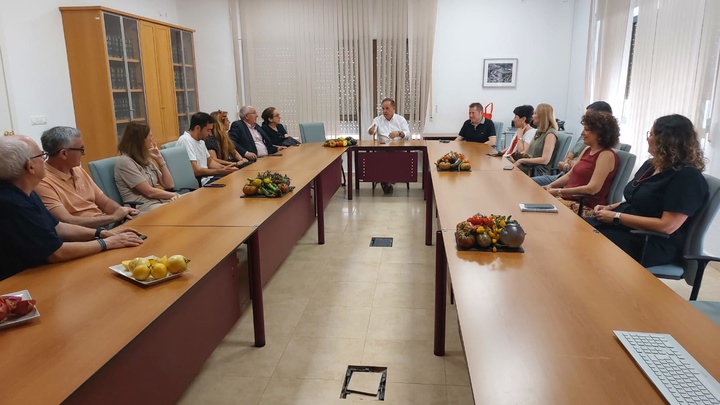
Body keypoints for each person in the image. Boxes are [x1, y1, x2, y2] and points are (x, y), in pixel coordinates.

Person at [0, 135, 143, 281]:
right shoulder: (11, 203)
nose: (45, 160)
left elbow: (59, 227)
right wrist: (108, 243)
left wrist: (102, 233)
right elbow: (56, 253)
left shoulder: (25, 191)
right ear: (30, 166)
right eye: (42, 155)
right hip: (20, 280)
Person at [590, 114, 708, 267]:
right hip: (626, 229)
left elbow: (667, 226)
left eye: (651, 134)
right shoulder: (651, 165)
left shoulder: (687, 178)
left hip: (651, 242)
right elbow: (637, 199)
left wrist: (616, 216)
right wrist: (609, 208)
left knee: (588, 244)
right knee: (578, 230)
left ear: (666, 140)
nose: (648, 138)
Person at [36, 126, 139, 228]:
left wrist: (122, 212)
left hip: (103, 226)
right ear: (64, 153)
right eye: (81, 149)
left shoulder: (78, 170)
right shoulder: (42, 181)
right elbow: (67, 221)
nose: (84, 153)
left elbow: (105, 203)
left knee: (143, 221)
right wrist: (113, 217)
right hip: (84, 236)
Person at [544, 111, 619, 216]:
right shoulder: (587, 149)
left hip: (585, 206)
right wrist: (550, 185)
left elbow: (592, 189)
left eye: (587, 130)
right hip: (568, 200)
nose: (582, 133)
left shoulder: (606, 155)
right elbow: (570, 175)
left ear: (600, 134)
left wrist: (558, 192)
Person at [533, 101, 614, 186]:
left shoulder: (606, 149)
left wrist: (567, 166)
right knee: (528, 183)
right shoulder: (586, 141)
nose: (582, 132)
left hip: (575, 183)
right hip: (563, 176)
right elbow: (569, 156)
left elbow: (585, 171)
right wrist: (569, 163)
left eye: (589, 117)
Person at [115, 122, 180, 213]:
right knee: (179, 209)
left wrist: (160, 160)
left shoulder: (145, 158)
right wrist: (174, 195)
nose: (152, 139)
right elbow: (149, 192)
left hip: (158, 202)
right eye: (150, 136)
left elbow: (169, 185)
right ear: (141, 141)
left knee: (189, 200)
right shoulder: (125, 162)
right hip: (142, 207)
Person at [177, 112, 238, 186]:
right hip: (200, 181)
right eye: (208, 130)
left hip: (208, 178)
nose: (210, 134)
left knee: (234, 178)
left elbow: (210, 162)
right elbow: (196, 171)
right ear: (197, 128)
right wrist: (221, 171)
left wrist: (227, 168)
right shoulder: (186, 141)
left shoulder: (201, 141)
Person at [367, 98, 411, 194]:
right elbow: (371, 130)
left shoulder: (400, 119)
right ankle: (387, 180)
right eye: (383, 109)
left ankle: (386, 180)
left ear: (393, 109)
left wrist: (399, 133)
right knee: (383, 155)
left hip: (398, 149)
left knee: (392, 155)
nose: (384, 111)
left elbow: (408, 134)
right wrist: (371, 130)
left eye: (387, 108)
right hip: (382, 149)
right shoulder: (377, 120)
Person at [510, 103, 558, 176]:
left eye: (535, 113)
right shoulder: (539, 132)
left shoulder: (550, 134)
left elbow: (545, 160)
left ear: (542, 116)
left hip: (538, 171)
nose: (532, 116)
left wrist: (522, 160)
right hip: (530, 166)